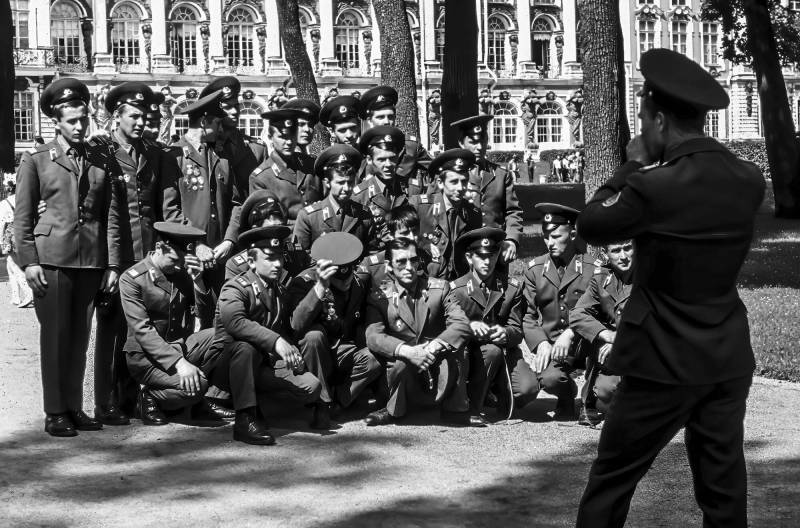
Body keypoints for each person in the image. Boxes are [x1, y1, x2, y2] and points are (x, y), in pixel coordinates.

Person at [575, 49, 766, 528]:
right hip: (725, 354)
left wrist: (626, 169)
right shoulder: (748, 179)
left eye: (644, 120)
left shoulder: (653, 187)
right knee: (723, 490)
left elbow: (593, 224)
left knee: (613, 478)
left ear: (658, 120)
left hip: (661, 358)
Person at [15, 78, 121, 437]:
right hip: (52, 261)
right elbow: (23, 218)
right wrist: (28, 261)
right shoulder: (37, 160)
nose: (79, 127)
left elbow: (109, 216)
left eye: (83, 120)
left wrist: (111, 264)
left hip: (90, 261)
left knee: (79, 337)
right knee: (55, 337)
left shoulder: (98, 159)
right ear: (56, 122)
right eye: (72, 121)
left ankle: (75, 407)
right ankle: (55, 411)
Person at [94, 82, 181, 425]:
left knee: (146, 330)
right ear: (116, 117)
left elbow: (166, 207)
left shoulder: (154, 153)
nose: (140, 122)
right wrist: (113, 264)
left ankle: (137, 398)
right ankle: (105, 401)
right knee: (111, 329)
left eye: (144, 116)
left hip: (149, 257)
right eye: (133, 116)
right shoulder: (101, 151)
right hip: (119, 257)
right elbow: (108, 213)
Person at [210, 225, 326, 438]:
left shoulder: (278, 289)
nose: (278, 264)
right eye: (270, 258)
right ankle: (245, 419)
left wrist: (290, 349)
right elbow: (235, 322)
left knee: (311, 386)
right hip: (228, 367)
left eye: (280, 258)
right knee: (245, 348)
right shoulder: (236, 287)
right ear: (252, 262)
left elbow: (288, 325)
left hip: (263, 362)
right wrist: (277, 342)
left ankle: (260, 402)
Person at [364, 238, 480, 427]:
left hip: (434, 362)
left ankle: (455, 410)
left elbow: (461, 323)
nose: (409, 267)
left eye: (413, 260)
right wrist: (407, 351)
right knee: (398, 361)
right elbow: (373, 336)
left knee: (458, 348)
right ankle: (393, 410)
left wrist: (434, 345)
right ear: (389, 266)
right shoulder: (380, 298)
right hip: (403, 372)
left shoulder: (439, 288)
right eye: (401, 261)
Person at [119, 222, 222, 426]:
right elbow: (143, 331)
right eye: (174, 260)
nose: (178, 266)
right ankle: (150, 398)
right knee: (198, 385)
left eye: (182, 261)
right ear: (160, 247)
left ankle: (193, 402)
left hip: (179, 346)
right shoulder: (133, 279)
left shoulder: (180, 272)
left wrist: (198, 282)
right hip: (146, 358)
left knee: (221, 335)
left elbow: (208, 317)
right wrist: (180, 363)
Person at [447, 227, 539, 422]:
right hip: (472, 355)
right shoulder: (457, 290)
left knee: (527, 389)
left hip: (505, 352)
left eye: (492, 255)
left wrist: (505, 333)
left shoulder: (511, 287)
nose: (487, 262)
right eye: (480, 256)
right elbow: (449, 329)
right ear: (469, 258)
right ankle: (473, 404)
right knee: (490, 352)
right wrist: (470, 328)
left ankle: (495, 393)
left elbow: (517, 329)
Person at [288, 233, 382, 422]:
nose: (345, 284)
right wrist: (321, 286)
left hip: (343, 350)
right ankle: (322, 403)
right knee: (313, 336)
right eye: (339, 281)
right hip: (309, 356)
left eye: (348, 279)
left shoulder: (359, 282)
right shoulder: (303, 281)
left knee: (373, 360)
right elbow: (296, 325)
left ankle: (339, 400)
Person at [522, 203, 601, 421]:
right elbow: (527, 317)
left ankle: (589, 400)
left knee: (607, 390)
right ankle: (567, 396)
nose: (550, 243)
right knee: (550, 379)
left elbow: (602, 314)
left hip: (587, 343)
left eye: (556, 236)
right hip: (556, 347)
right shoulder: (535, 270)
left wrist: (572, 332)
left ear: (573, 232)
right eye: (546, 237)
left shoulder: (593, 269)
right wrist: (541, 343)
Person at [165, 89, 243, 299]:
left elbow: (236, 203)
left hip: (219, 255)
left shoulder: (221, 159)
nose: (220, 129)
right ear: (204, 122)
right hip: (186, 257)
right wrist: (195, 245)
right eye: (217, 123)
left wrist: (229, 240)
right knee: (187, 320)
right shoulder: (173, 156)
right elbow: (169, 210)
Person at [569, 240, 634, 426]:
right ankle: (590, 402)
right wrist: (605, 334)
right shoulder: (601, 278)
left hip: (646, 355)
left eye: (628, 248)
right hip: (615, 354)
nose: (623, 256)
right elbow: (578, 314)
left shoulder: (649, 278)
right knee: (605, 393)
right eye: (616, 251)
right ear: (606, 254)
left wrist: (621, 340)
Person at [452, 115, 523, 264]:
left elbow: (513, 212)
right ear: (461, 143)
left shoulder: (501, 175)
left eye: (482, 141)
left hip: (495, 251)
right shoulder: (452, 176)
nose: (479, 147)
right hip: (464, 251)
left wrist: (511, 240)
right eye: (473, 142)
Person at [410, 149, 482, 281]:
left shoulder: (473, 213)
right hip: (427, 282)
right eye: (454, 182)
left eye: (464, 181)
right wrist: (422, 244)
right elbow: (401, 238)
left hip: (459, 283)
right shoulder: (420, 207)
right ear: (440, 183)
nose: (460, 188)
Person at [292, 144, 373, 252]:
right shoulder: (309, 217)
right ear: (327, 182)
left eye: (350, 182)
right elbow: (300, 257)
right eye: (340, 183)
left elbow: (372, 252)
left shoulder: (364, 214)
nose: (347, 188)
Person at [249, 108, 321, 222]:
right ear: (270, 137)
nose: (288, 142)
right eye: (282, 137)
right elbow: (266, 222)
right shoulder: (261, 178)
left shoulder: (310, 164)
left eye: (292, 136)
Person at [199, 76, 268, 193]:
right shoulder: (201, 149)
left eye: (236, 106)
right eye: (228, 107)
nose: (235, 112)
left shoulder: (258, 149)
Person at [225, 190, 309, 283]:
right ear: (255, 231)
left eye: (280, 228)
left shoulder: (294, 255)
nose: (276, 235)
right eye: (270, 229)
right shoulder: (238, 266)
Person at [360, 85, 432, 187]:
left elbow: (436, 171)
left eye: (390, 117)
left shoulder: (410, 146)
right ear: (369, 120)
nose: (386, 122)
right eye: (380, 117)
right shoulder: (362, 148)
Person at [352, 125, 426, 214]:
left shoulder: (413, 189)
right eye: (381, 160)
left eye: (392, 158)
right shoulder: (360, 196)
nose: (388, 164)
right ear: (369, 160)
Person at [0, 180, 33, 308]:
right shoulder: (23, 200)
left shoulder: (4, 204)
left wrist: (0, 241)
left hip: (9, 235)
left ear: (7, 189)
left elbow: (1, 223)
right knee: (10, 265)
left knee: (14, 265)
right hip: (22, 233)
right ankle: (15, 296)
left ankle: (29, 292)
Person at [319, 95, 368, 181]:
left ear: (359, 126)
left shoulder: (368, 156)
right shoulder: (326, 161)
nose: (349, 135)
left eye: (353, 128)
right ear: (332, 131)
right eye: (342, 130)